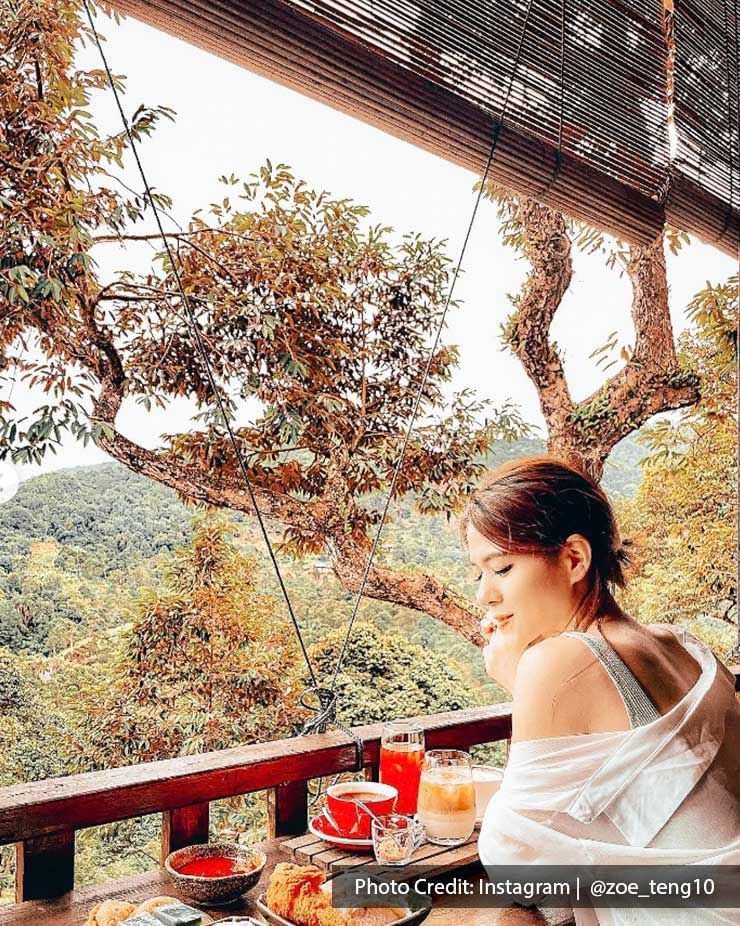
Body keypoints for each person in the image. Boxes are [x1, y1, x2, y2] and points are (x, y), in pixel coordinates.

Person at [463, 456, 740, 926]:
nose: (484, 595)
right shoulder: (687, 648)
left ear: (574, 558)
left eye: (503, 568)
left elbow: (510, 864)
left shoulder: (556, 663)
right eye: (479, 574)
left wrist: (519, 683)